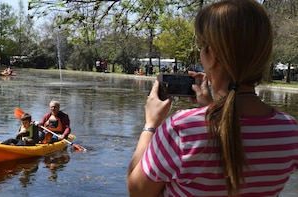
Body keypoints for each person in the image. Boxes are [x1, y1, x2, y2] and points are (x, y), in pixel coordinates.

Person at [126, 0, 298, 196]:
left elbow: (136, 191)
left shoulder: (182, 129)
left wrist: (151, 125)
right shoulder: (290, 132)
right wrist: (211, 107)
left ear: (212, 55)